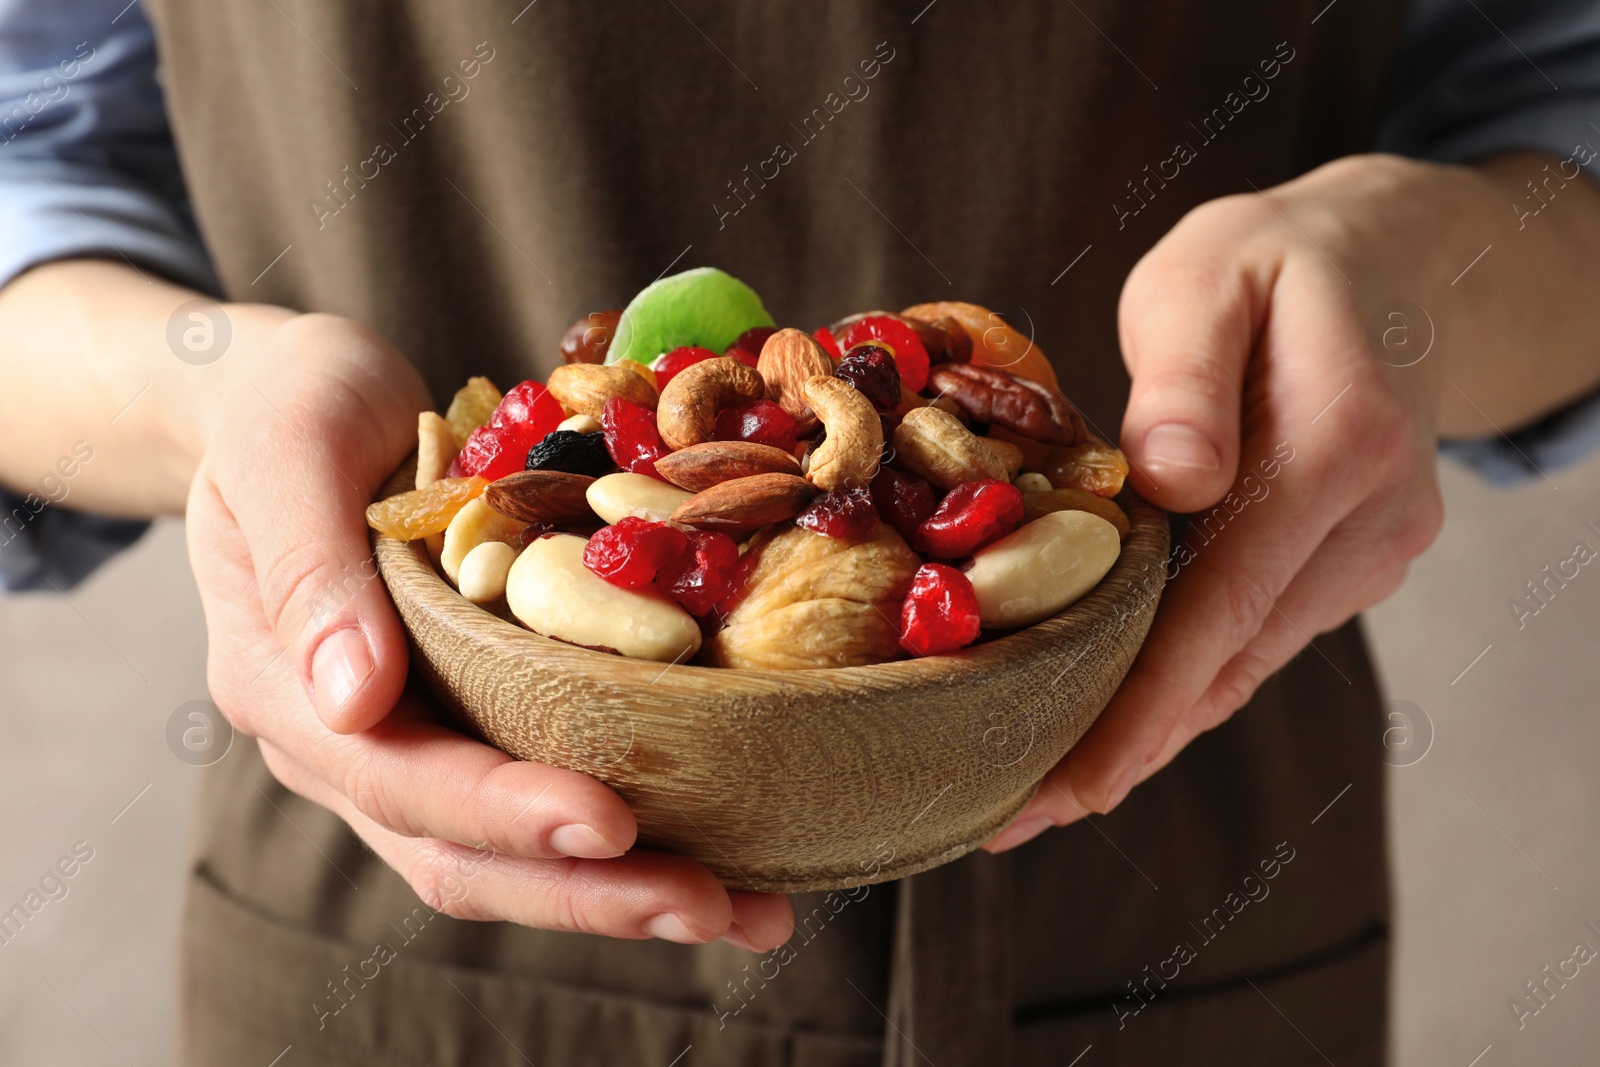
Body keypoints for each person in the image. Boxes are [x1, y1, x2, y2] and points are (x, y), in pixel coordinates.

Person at [2, 0, 1598, 1062]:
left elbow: (1561, 106)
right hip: (409, 928)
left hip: (1174, 886)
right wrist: (212, 397)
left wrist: (1414, 274)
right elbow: (34, 154)